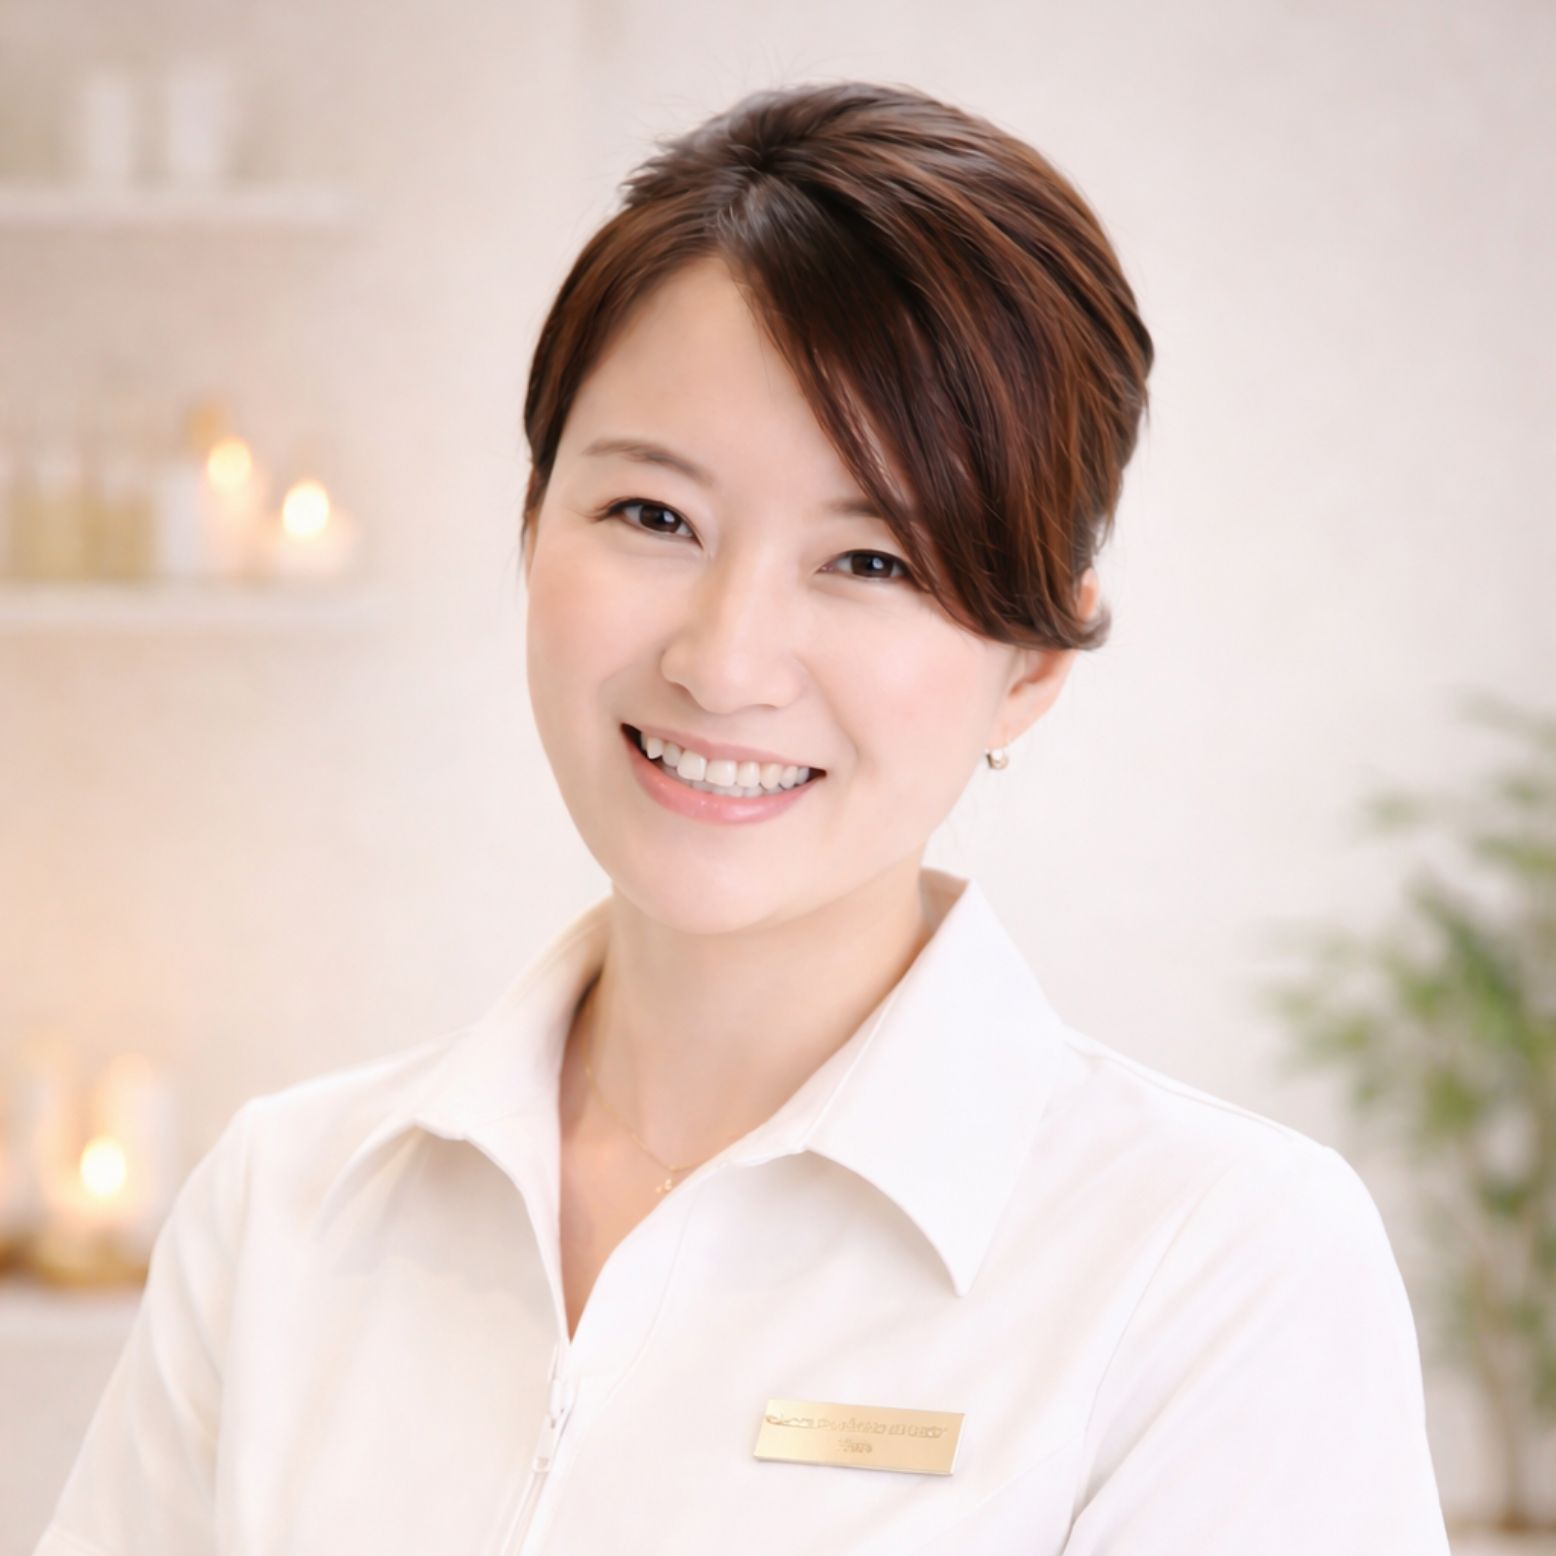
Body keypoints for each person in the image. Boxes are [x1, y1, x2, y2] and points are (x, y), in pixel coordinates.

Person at [36, 80, 1451, 1555]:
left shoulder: (1213, 1266)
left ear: (1033, 662)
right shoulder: (285, 1205)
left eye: (873, 562)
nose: (722, 663)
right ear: (532, 522)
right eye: (654, 517)